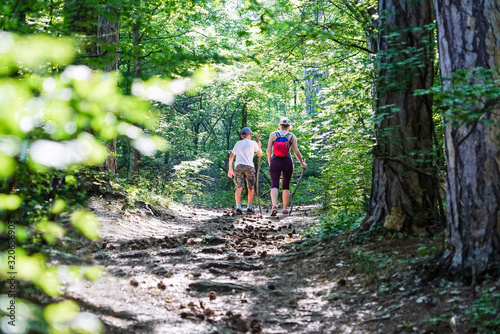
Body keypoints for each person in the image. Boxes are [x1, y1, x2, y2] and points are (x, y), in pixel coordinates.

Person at [267, 117, 307, 215]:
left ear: (280, 125)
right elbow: (296, 152)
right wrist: (302, 163)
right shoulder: (292, 136)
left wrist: (270, 162)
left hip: (275, 161)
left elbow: (268, 150)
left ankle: (274, 205)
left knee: (274, 184)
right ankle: (285, 209)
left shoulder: (273, 135)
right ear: (289, 127)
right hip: (287, 161)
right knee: (286, 186)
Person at [228, 127, 263, 214]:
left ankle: (238, 208)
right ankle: (249, 208)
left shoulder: (238, 143)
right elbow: (260, 155)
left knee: (239, 187)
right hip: (249, 166)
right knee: (250, 187)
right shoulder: (253, 143)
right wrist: (259, 147)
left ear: (242, 135)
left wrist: (230, 169)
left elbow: (231, 156)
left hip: (238, 166)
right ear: (250, 135)